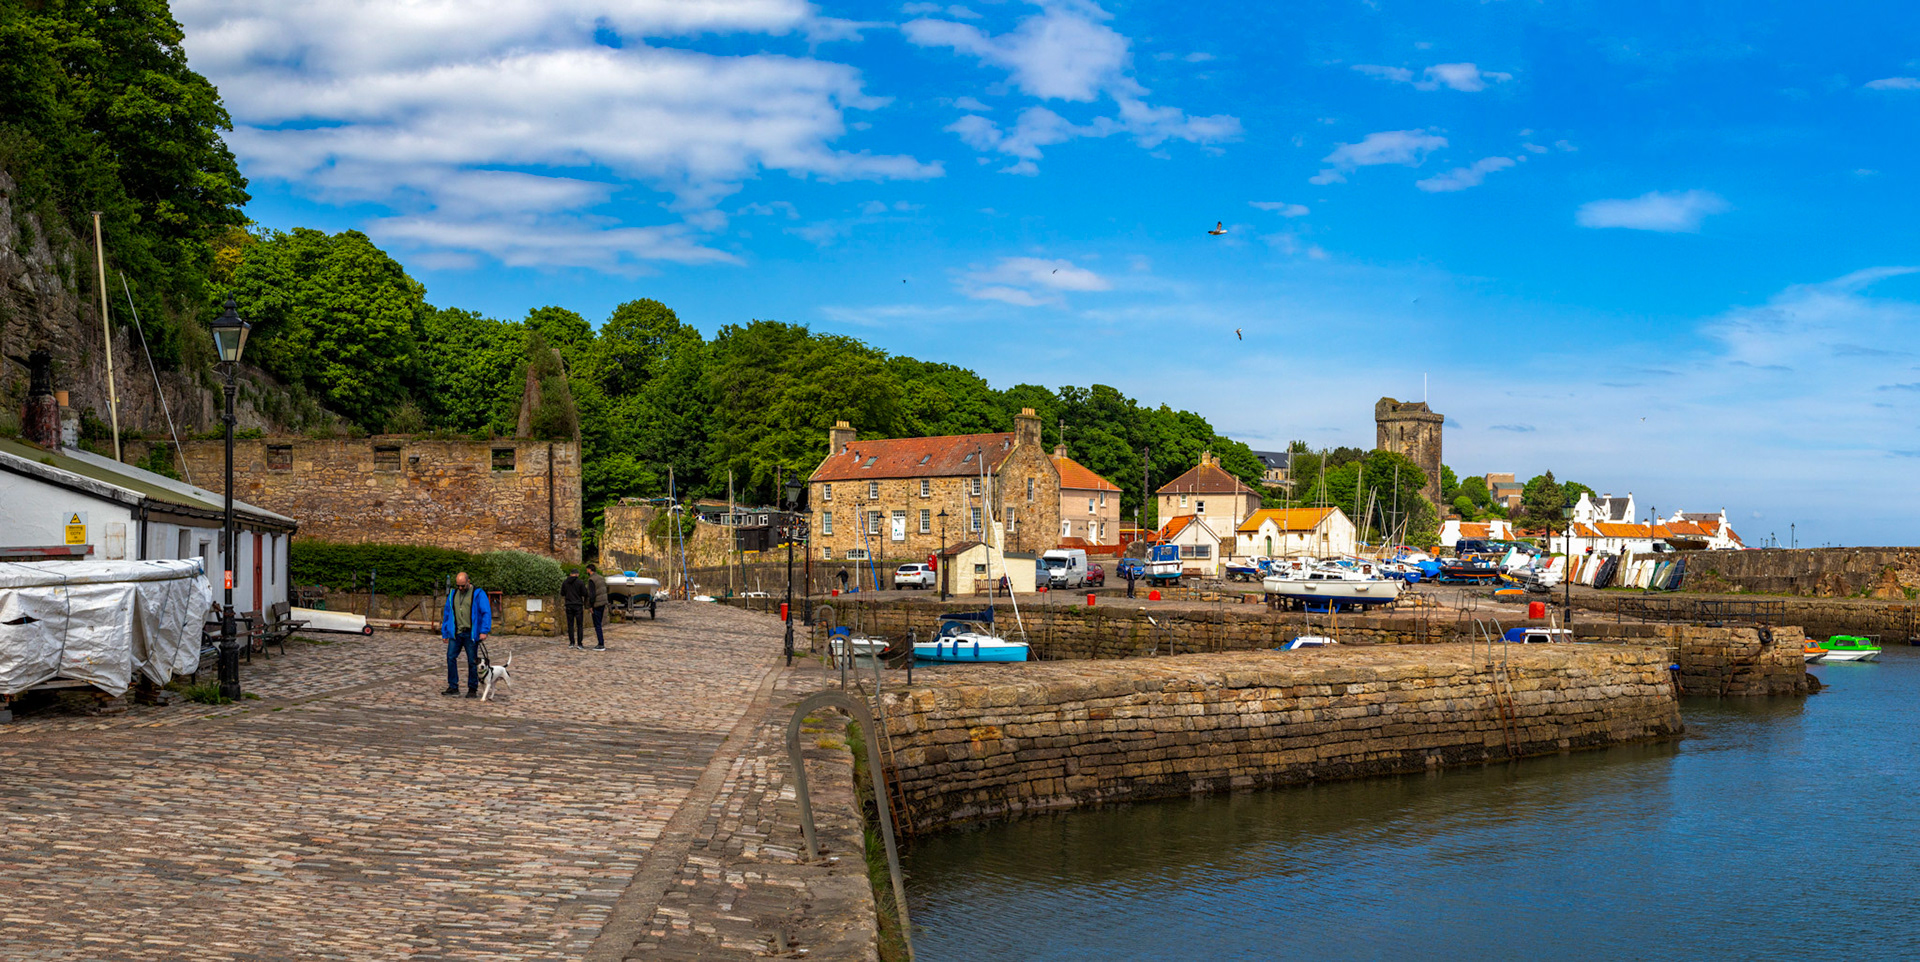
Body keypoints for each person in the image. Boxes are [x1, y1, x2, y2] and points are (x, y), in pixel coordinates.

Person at [441, 571, 492, 697]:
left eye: (462, 586)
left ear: (468, 582)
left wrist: (484, 631)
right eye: (458, 585)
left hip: (471, 633)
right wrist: (445, 631)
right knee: (450, 658)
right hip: (456, 633)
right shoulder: (453, 594)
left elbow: (486, 612)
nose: (460, 588)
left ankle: (472, 689)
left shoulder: (478, 594)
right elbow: (447, 614)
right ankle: (453, 687)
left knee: (472, 661)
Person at [561, 569, 587, 649]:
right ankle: (579, 643)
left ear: (570, 574)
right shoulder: (580, 582)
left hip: (569, 604)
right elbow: (584, 593)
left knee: (570, 624)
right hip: (578, 605)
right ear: (577, 574)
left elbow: (562, 593)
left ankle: (571, 642)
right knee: (579, 625)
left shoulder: (565, 582)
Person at [586, 563, 610, 651]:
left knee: (597, 625)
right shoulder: (601, 578)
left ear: (589, 570)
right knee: (599, 623)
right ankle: (601, 643)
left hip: (596, 604)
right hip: (603, 602)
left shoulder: (591, 580)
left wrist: (590, 606)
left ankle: (601, 644)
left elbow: (592, 594)